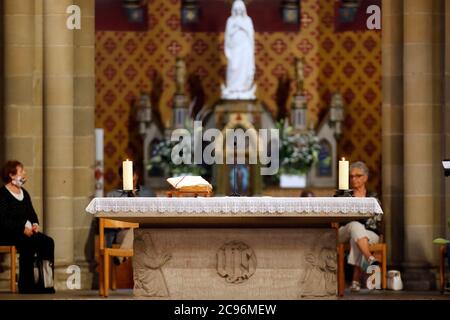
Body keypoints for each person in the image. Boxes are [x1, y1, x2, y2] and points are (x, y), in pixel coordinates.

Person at [0, 160, 55, 293]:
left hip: (27, 231)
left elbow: (32, 214)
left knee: (48, 242)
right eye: (21, 171)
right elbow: (3, 221)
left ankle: (45, 283)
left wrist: (35, 225)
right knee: (28, 242)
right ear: (12, 175)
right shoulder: (2, 194)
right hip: (8, 233)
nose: (24, 173)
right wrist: (22, 229)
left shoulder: (24, 193)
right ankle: (26, 285)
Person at [338, 161, 381, 292]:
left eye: (358, 175)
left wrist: (355, 217)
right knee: (355, 226)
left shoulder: (372, 196)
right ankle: (369, 258)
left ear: (366, 178)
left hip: (369, 233)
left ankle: (355, 281)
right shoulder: (344, 195)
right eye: (351, 176)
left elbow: (376, 219)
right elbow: (339, 218)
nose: (354, 179)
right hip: (345, 231)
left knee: (356, 236)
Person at [105, 164, 155, 264]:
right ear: (121, 177)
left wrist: (135, 195)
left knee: (141, 232)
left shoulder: (148, 193)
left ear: (136, 176)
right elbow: (108, 220)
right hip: (122, 231)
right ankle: (122, 256)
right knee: (136, 232)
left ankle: (121, 256)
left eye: (132, 175)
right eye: (125, 175)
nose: (129, 178)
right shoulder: (113, 195)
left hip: (145, 229)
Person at [221, 0, 256, 99]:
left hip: (245, 48)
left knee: (244, 67)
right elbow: (228, 35)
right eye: (236, 9)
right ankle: (232, 88)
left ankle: (243, 89)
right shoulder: (230, 20)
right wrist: (235, 28)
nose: (238, 11)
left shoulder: (248, 20)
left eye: (240, 9)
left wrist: (241, 26)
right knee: (233, 67)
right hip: (234, 48)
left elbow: (250, 34)